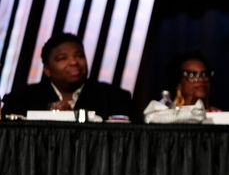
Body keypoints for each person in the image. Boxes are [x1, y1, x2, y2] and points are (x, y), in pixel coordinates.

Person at [1, 32, 136, 121]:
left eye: (79, 55)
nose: (74, 62)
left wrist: (73, 116)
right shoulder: (21, 99)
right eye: (62, 58)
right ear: (47, 70)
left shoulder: (116, 98)